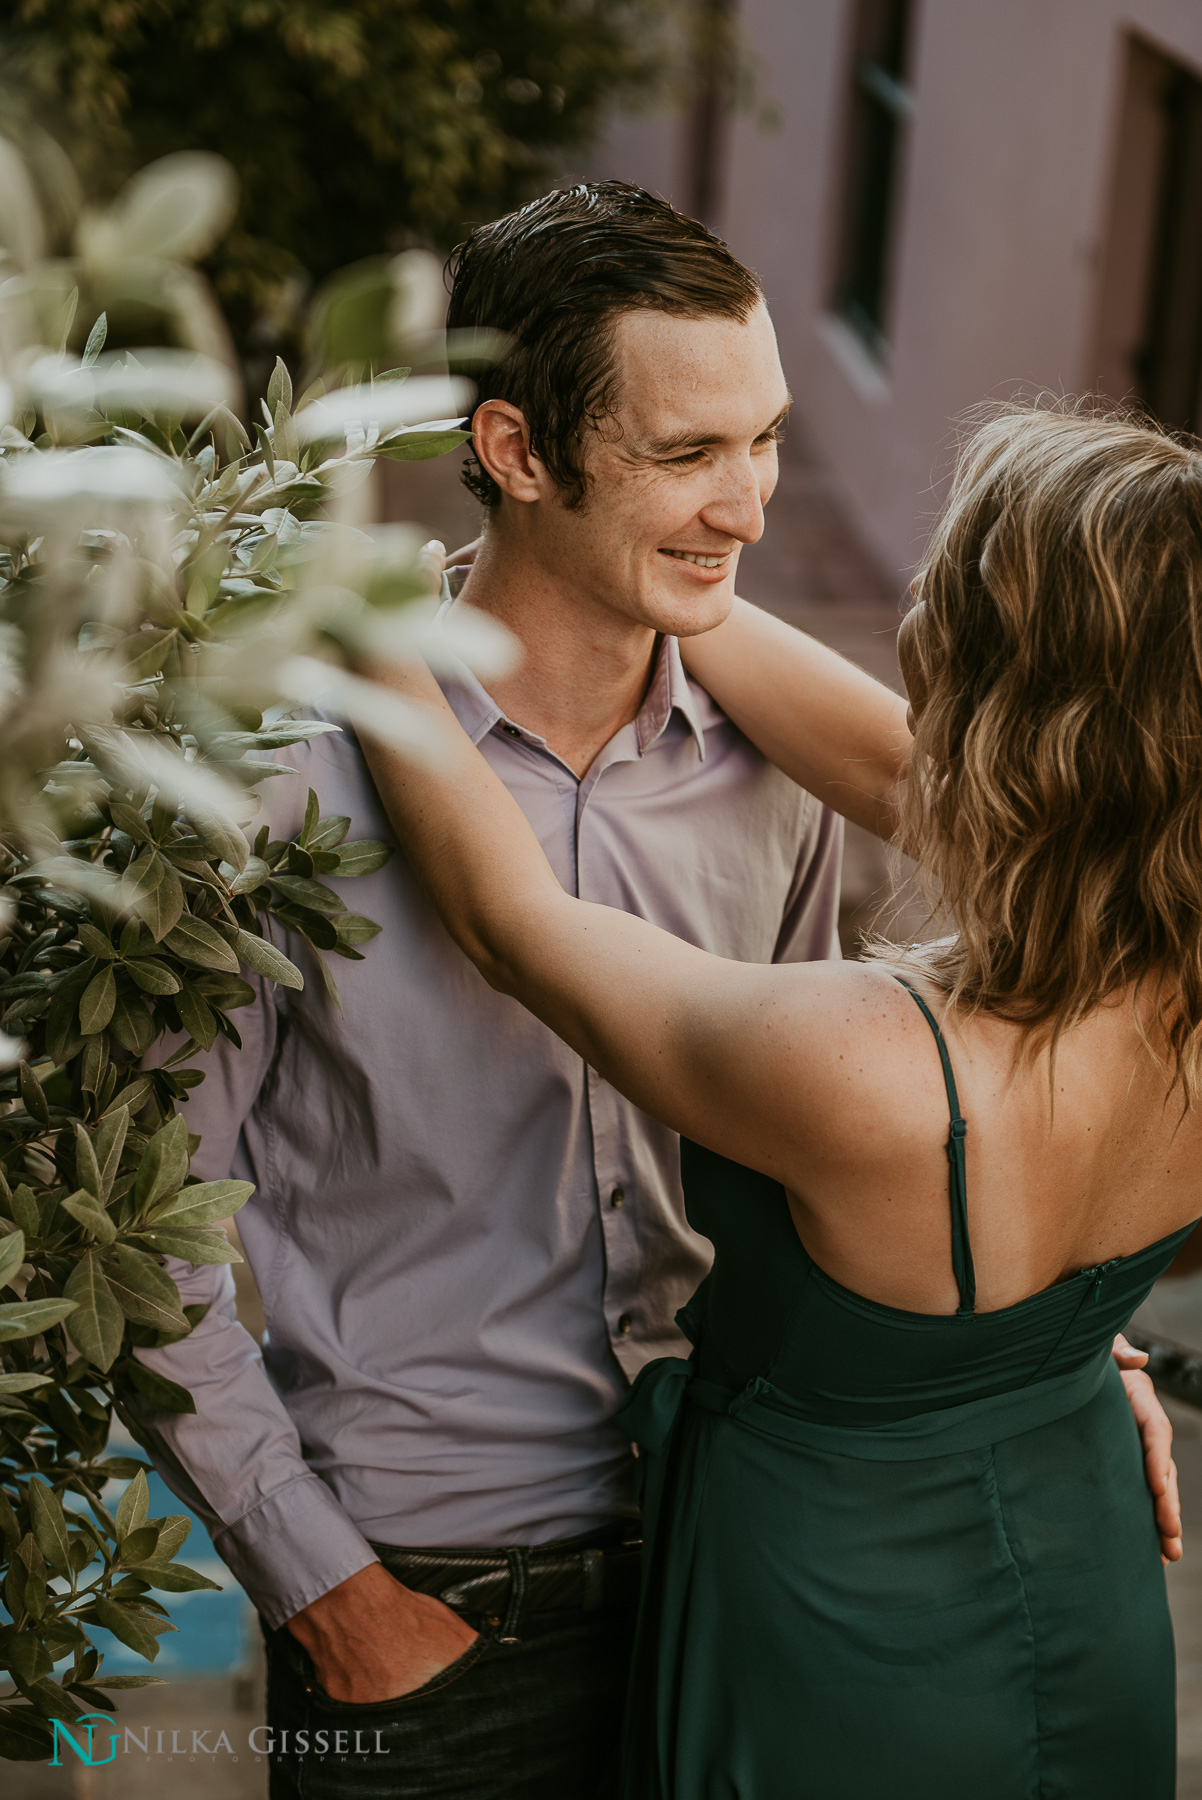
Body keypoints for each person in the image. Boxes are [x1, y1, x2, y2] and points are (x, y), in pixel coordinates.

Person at [129, 183, 1173, 1799]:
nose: (750, 506)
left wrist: (1027, 1329)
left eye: (763, 439)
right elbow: (138, 1231)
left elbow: (867, 1125)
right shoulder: (276, 792)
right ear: (516, 450)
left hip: (747, 1559)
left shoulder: (781, 773)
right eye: (690, 454)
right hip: (428, 1601)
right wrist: (324, 1588)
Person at [360, 401, 1200, 1799]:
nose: (917, 591)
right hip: (1080, 1567)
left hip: (845, 1642)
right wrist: (614, 551)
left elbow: (510, 918)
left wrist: (377, 622)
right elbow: (892, 767)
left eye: (951, 573)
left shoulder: (868, 1068)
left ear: (995, 672)